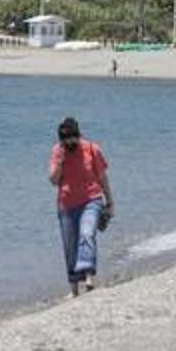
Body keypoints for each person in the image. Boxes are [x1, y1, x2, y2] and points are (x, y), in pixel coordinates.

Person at [48, 118, 114, 297]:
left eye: (71, 138)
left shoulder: (92, 149)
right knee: (70, 247)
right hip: (66, 205)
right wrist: (60, 162)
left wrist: (110, 203)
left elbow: (103, 178)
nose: (69, 142)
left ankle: (89, 278)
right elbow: (53, 180)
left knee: (87, 234)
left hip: (91, 200)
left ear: (78, 135)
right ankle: (74, 290)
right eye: (65, 139)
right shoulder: (57, 151)